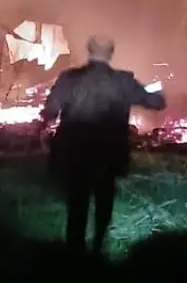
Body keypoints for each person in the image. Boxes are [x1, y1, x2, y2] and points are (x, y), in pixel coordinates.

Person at [42, 35, 167, 254]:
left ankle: (74, 252)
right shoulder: (123, 81)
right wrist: (157, 88)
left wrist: (47, 119)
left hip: (76, 151)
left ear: (89, 51)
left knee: (77, 202)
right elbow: (157, 102)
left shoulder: (69, 78)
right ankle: (99, 246)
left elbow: (51, 110)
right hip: (108, 152)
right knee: (104, 199)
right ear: (111, 54)